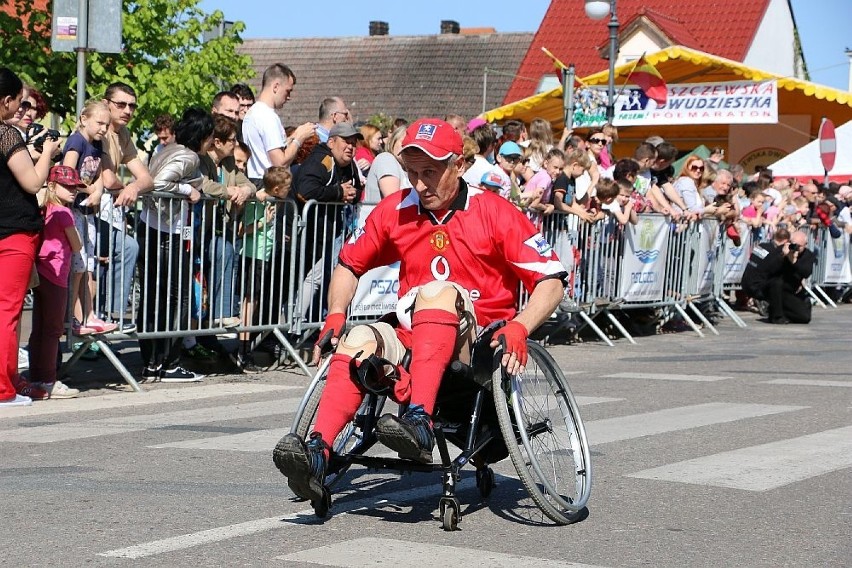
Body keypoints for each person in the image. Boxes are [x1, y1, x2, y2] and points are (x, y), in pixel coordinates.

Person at [273, 118, 566, 504]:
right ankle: (318, 450)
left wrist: (521, 327)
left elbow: (552, 280)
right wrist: (335, 313)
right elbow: (348, 265)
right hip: (417, 335)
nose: (420, 183)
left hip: (475, 342)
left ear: (457, 166)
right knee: (360, 337)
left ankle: (419, 420)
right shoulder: (396, 210)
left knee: (437, 292)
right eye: (411, 173)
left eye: (430, 172)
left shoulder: (495, 211)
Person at [0, 68, 62, 407]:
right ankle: (3, 390)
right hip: (13, 233)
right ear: (6, 101)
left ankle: (10, 380)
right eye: (17, 102)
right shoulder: (6, 135)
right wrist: (49, 152)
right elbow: (32, 182)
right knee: (7, 313)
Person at [136, 107, 209, 382]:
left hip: (154, 227)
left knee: (154, 296)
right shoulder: (188, 156)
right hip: (167, 232)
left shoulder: (166, 149)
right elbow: (159, 183)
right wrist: (187, 190)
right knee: (176, 297)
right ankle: (168, 363)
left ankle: (152, 363)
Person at [62, 100, 119, 336]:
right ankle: (73, 317)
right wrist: (88, 190)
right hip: (73, 210)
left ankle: (88, 315)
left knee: (87, 266)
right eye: (99, 123)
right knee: (78, 266)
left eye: (107, 125)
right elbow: (66, 172)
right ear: (84, 119)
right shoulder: (76, 141)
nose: (104, 129)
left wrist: (97, 189)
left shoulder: (97, 144)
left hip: (87, 212)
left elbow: (98, 175)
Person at [28, 166, 85, 399]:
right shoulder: (63, 212)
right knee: (52, 329)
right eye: (67, 186)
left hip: (39, 272)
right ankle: (49, 379)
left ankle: (36, 376)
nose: (73, 190)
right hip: (56, 275)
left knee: (39, 329)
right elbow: (77, 244)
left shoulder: (44, 209)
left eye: (75, 186)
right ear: (52, 186)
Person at [235, 166, 291, 372]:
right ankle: (242, 349)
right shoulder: (258, 202)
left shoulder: (269, 201)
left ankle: (245, 347)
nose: (289, 191)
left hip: (263, 256)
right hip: (253, 256)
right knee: (249, 303)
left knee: (254, 301)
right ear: (276, 189)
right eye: (287, 187)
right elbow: (242, 229)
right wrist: (262, 223)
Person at [242, 63, 315, 186]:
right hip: (268, 186)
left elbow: (266, 149)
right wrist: (299, 138)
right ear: (276, 86)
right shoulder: (267, 116)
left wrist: (293, 136)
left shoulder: (252, 112)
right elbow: (279, 162)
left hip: (256, 180)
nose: (289, 97)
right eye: (288, 91)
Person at [363, 125, 410, 203]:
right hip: (379, 214)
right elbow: (393, 200)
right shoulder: (386, 159)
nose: (406, 146)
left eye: (410, 143)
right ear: (393, 142)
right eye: (403, 142)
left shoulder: (409, 169)